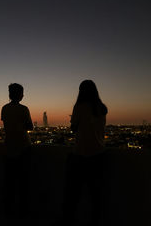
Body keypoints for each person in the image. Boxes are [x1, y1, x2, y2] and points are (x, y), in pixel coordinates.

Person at [62, 80, 108, 226]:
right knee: (96, 194)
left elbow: (74, 128)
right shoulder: (101, 108)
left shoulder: (80, 107)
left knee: (72, 192)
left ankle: (68, 220)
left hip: (81, 153)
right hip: (99, 153)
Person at [1, 83, 33, 219]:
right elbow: (30, 127)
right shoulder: (24, 109)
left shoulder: (4, 108)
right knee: (23, 182)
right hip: (23, 147)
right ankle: (23, 210)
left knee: (10, 182)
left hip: (9, 147)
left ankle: (9, 209)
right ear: (20, 95)